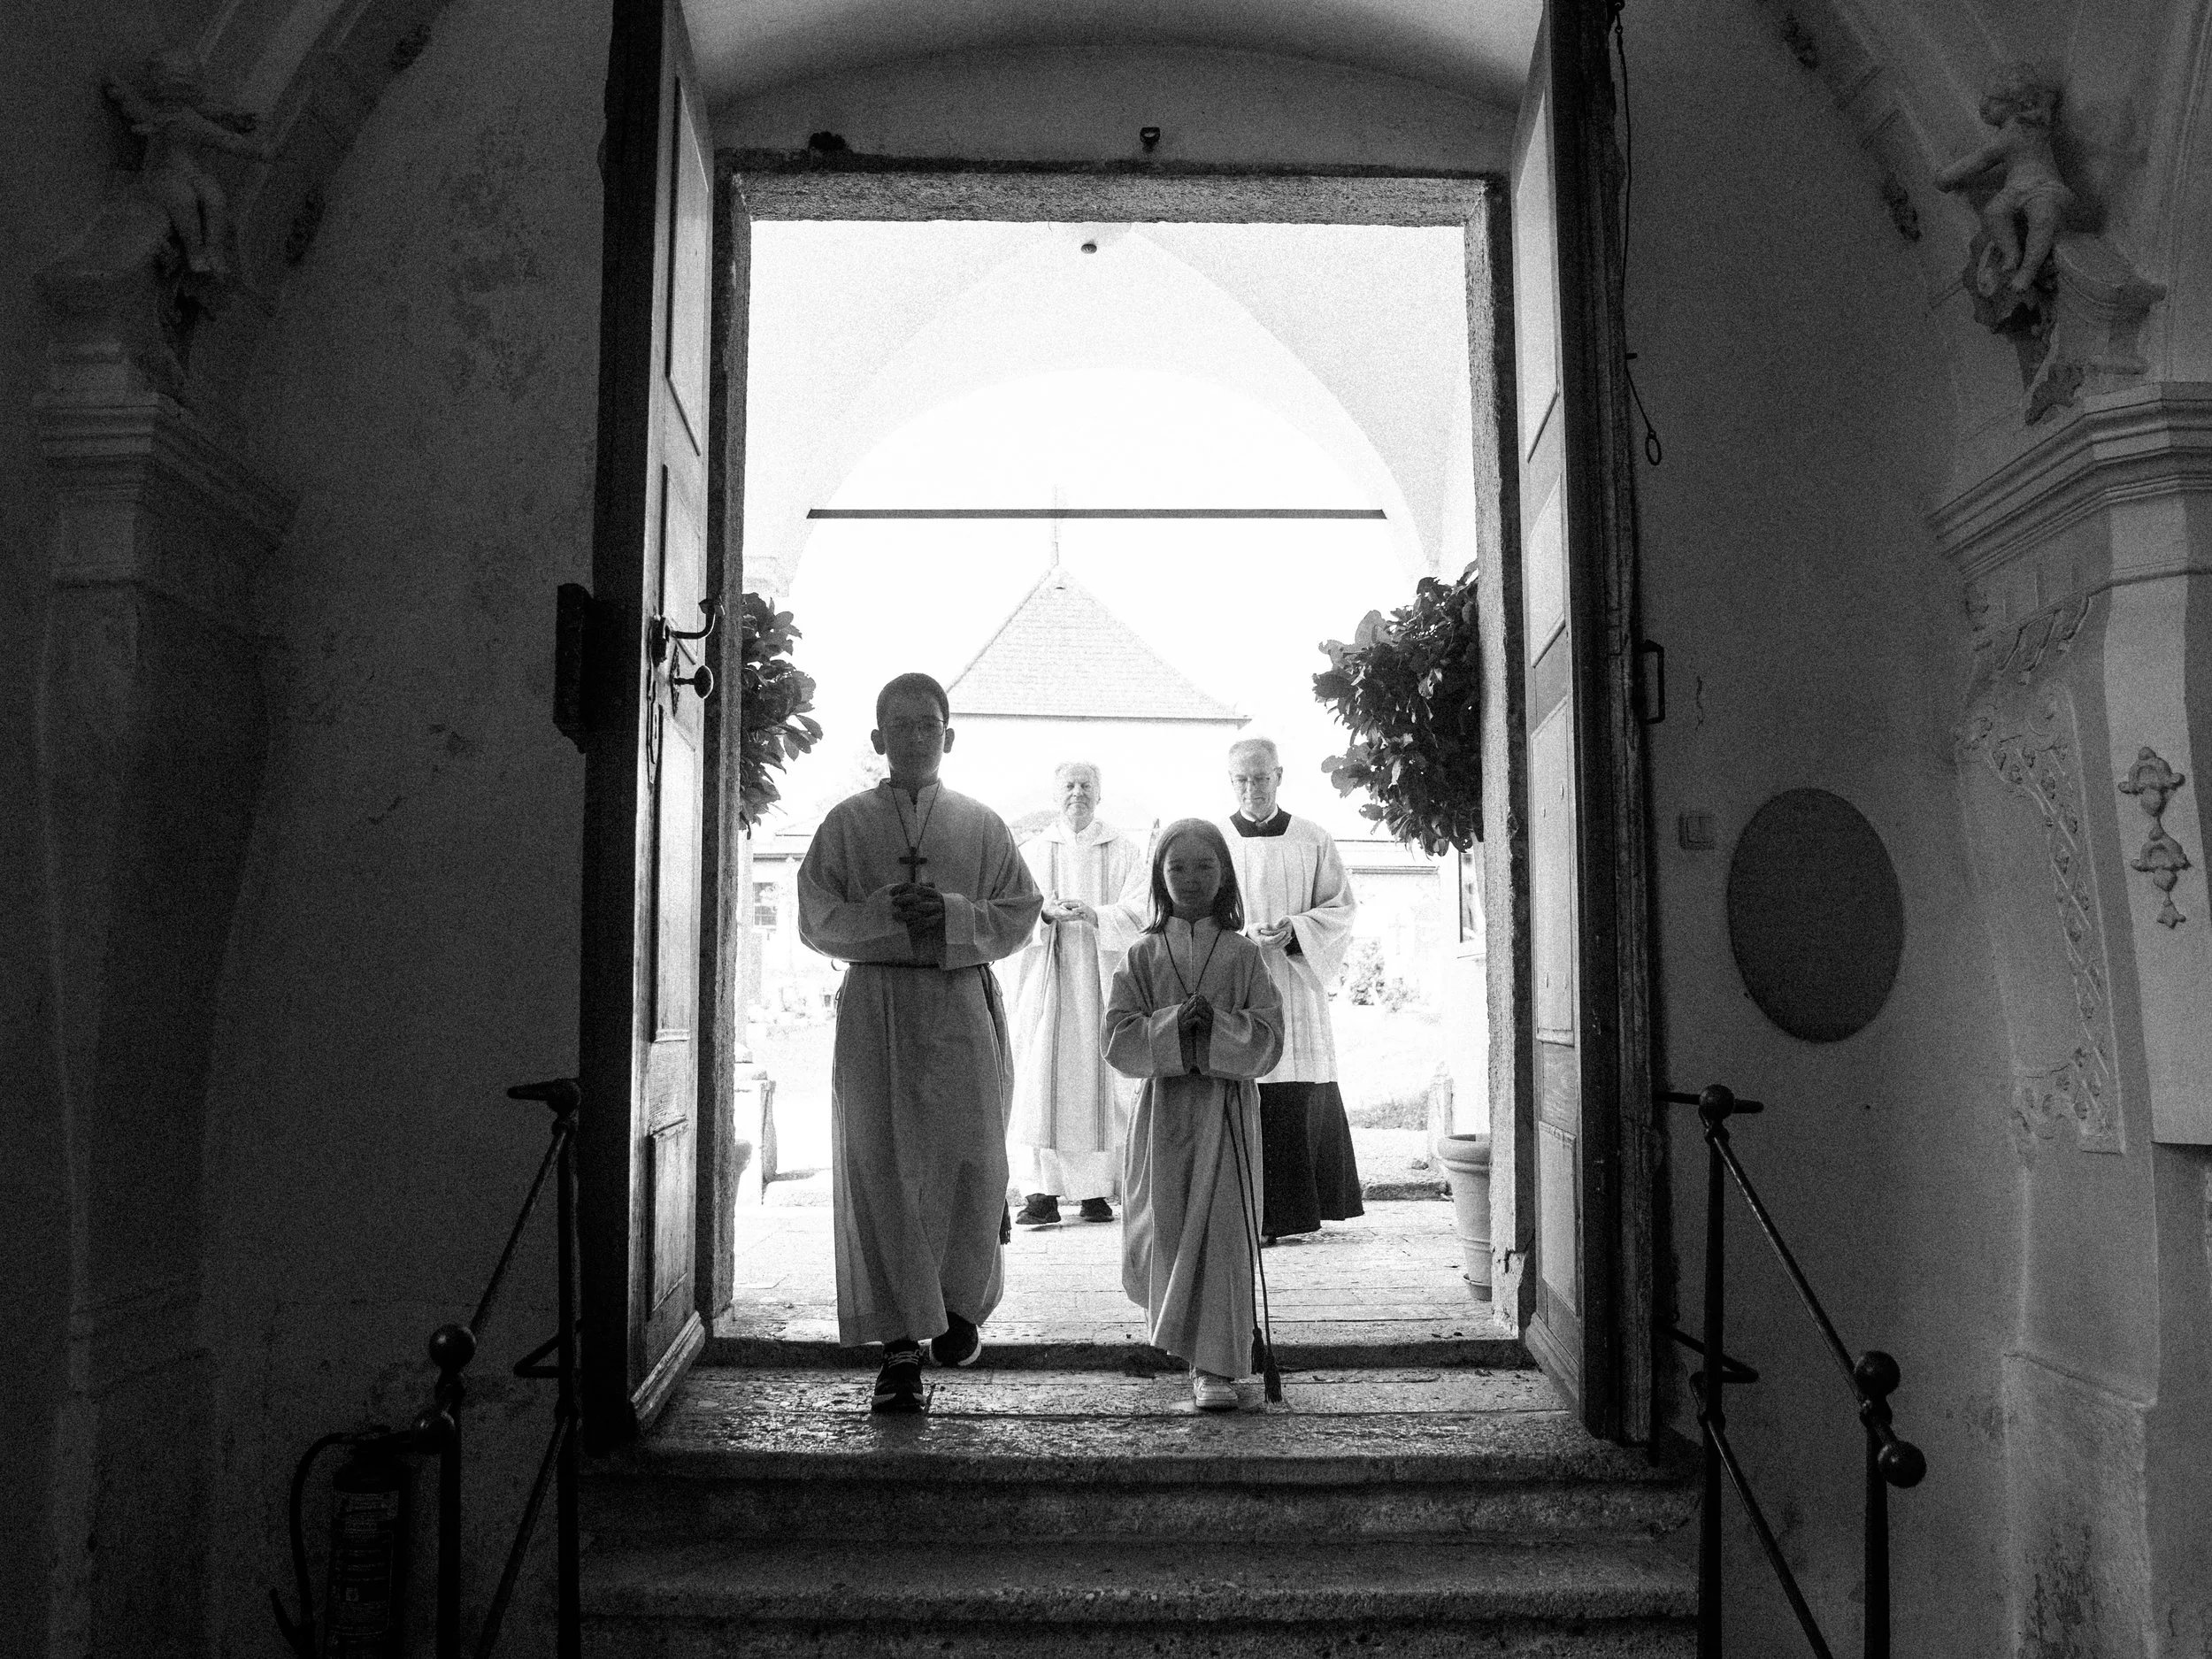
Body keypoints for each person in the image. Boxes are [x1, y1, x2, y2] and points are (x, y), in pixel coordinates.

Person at [797, 672, 1043, 1413]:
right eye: (900, 726)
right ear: (878, 739)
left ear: (949, 735)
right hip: (877, 1010)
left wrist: (953, 914)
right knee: (882, 1164)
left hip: (959, 1000)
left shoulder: (982, 824)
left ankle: (959, 1303)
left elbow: (1021, 910)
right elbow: (815, 915)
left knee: (974, 1157)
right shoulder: (846, 823)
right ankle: (900, 1347)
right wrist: (885, 913)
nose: (914, 737)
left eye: (927, 724)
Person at [1103, 819, 1285, 1411]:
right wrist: (1171, 1026)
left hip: (1225, 1112)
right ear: (1159, 876)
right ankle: (1188, 1349)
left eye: (1205, 865)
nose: (1190, 878)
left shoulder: (1243, 953)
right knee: (1167, 1229)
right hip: (1163, 1114)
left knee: (1224, 1235)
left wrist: (1219, 1029)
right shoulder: (1141, 953)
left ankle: (1218, 1367)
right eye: (1176, 867)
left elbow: (1270, 1036)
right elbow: (1116, 1038)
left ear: (1224, 873)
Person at [1217, 736, 1362, 1241]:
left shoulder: (1312, 838)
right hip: (1235, 985)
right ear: (1230, 780)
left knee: (1294, 1090)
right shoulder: (1215, 841)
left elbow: (1341, 908)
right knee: (1241, 1090)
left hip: (1295, 985)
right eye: (1241, 779)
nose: (1251, 789)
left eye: (1261, 778)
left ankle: (1287, 1215)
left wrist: (1297, 930)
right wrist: (1241, 936)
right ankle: (1241, 1213)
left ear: (1279, 776)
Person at [1005, 762, 1148, 1227]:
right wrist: (1045, 915)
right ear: (1055, 794)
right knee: (1039, 1080)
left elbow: (1142, 909)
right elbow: (1012, 910)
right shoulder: (1032, 852)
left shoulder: (1124, 850)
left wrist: (1095, 915)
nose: (1077, 793)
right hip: (1046, 985)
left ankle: (1095, 1193)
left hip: (1102, 982)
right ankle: (1040, 1193)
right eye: (1068, 785)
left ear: (1100, 794)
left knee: (1100, 1082)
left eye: (1087, 785)